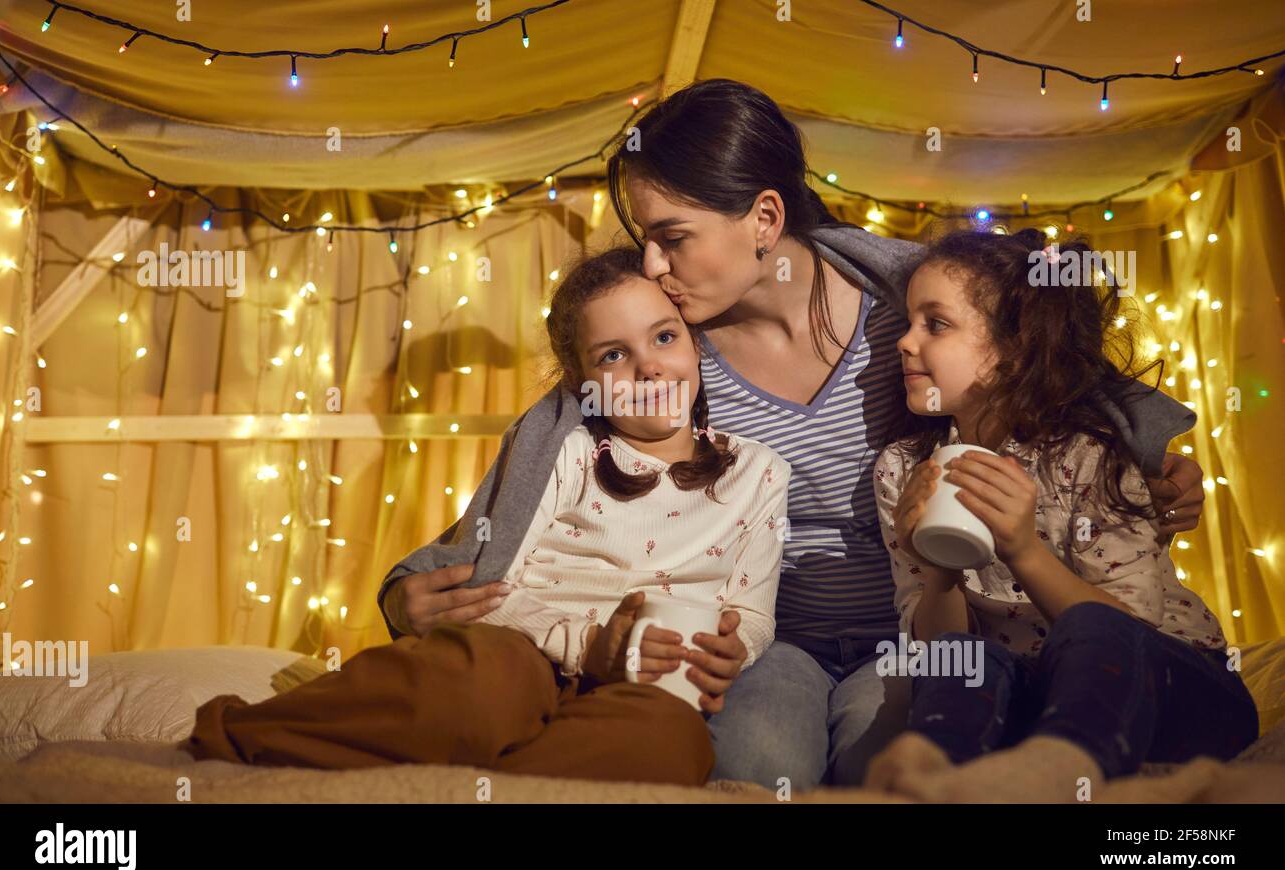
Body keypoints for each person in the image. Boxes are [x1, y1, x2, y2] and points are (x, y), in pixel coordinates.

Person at [381, 79, 1209, 790]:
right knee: (757, 756)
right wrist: (410, 585)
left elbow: (1037, 351)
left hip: (917, 625)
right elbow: (537, 453)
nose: (654, 268)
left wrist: (1146, 455)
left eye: (672, 238)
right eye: (646, 242)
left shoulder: (908, 321)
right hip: (771, 638)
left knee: (877, 756)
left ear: (764, 218)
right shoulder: (667, 352)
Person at [181, 247, 790, 786]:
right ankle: (238, 732)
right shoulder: (568, 450)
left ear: (693, 340)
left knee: (667, 743)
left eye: (664, 338)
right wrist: (584, 644)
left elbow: (755, 612)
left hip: (644, 681)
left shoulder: (759, 473)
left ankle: (481, 784)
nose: (649, 368)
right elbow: (487, 582)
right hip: (528, 647)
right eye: (613, 355)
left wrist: (733, 650)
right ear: (582, 382)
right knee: (472, 686)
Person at [864, 228, 1258, 801]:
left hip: (1167, 686)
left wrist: (1023, 551)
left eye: (936, 324)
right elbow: (936, 645)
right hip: (1035, 689)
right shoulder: (903, 471)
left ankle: (1062, 762)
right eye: (907, 322)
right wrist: (939, 570)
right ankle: (930, 770)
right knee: (961, 660)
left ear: (1013, 350)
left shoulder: (1090, 453)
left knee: (1093, 630)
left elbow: (1128, 631)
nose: (903, 341)